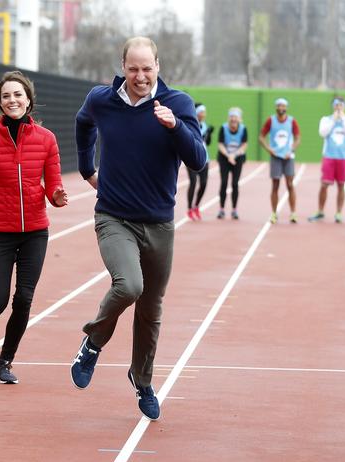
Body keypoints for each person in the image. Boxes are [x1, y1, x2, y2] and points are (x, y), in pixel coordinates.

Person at [71, 37, 206, 421]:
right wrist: (86, 168)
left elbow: (197, 160)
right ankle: (93, 343)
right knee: (129, 285)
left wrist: (175, 126)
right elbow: (84, 124)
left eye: (147, 69)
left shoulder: (177, 104)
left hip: (160, 223)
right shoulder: (103, 99)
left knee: (151, 307)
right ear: (123, 67)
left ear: (158, 67)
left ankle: (142, 379)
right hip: (114, 216)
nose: (140, 76)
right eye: (133, 69)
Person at [0, 71, 68, 384]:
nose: (13, 100)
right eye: (6, 96)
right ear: (0, 102)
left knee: (23, 298)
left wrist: (58, 196)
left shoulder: (46, 139)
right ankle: (3, 346)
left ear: (28, 100)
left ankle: (5, 360)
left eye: (18, 95)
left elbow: (53, 184)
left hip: (36, 231)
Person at [308, 96, 345, 223]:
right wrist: (334, 120)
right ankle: (320, 211)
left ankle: (339, 212)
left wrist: (343, 119)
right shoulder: (326, 119)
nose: (338, 107)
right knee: (324, 184)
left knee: (341, 185)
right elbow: (322, 133)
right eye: (336, 105)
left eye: (340, 105)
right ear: (333, 106)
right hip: (329, 156)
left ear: (344, 107)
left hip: (343, 157)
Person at [259, 98, 301, 224]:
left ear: (286, 108)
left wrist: (291, 150)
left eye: (283, 106)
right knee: (275, 185)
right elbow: (261, 137)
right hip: (276, 156)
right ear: (276, 107)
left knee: (290, 184)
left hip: (288, 157)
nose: (281, 108)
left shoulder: (292, 121)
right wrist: (268, 149)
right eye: (279, 106)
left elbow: (298, 138)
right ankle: (274, 213)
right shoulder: (270, 120)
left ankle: (293, 213)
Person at [216, 107, 248, 219]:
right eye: (232, 117)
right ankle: (221, 209)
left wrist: (234, 155)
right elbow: (220, 144)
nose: (233, 119)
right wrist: (229, 156)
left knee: (235, 183)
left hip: (237, 157)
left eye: (236, 117)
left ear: (240, 119)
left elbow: (244, 145)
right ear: (229, 118)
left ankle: (234, 210)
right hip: (224, 157)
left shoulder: (243, 129)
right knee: (224, 182)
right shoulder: (223, 128)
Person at [187, 103, 213, 220]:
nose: (203, 114)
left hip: (204, 158)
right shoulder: (191, 124)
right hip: (191, 157)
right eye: (201, 112)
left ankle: (196, 206)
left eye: (204, 112)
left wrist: (209, 134)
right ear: (196, 113)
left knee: (203, 183)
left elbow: (207, 143)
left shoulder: (205, 126)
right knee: (193, 182)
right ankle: (189, 208)